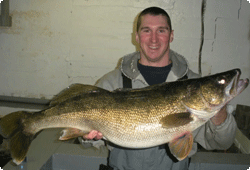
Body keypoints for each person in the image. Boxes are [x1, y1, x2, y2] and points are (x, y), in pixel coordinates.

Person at [83, 6, 237, 170]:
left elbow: (222, 143)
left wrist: (219, 112)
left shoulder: (194, 86)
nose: (154, 39)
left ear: (171, 35)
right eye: (147, 30)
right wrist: (87, 136)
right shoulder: (111, 82)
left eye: (161, 31)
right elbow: (85, 140)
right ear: (137, 36)